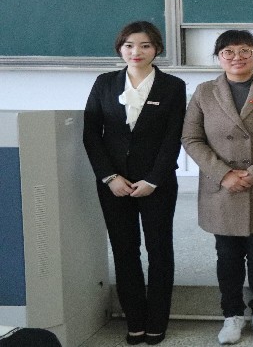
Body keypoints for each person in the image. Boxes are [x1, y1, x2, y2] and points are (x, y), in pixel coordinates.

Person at [181, 30, 253, 344]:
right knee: (227, 254)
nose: (237, 57)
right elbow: (191, 138)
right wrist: (224, 174)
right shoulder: (204, 92)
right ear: (218, 57)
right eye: (228, 51)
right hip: (222, 188)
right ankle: (231, 314)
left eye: (245, 50)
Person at [83, 21, 186, 345]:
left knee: (159, 250)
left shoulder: (173, 86)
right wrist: (109, 177)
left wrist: (153, 179)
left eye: (144, 45)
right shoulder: (104, 83)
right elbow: (91, 134)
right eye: (129, 45)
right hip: (114, 185)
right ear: (120, 48)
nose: (136, 52)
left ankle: (157, 321)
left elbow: (173, 137)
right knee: (124, 250)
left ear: (157, 49)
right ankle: (135, 320)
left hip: (157, 184)